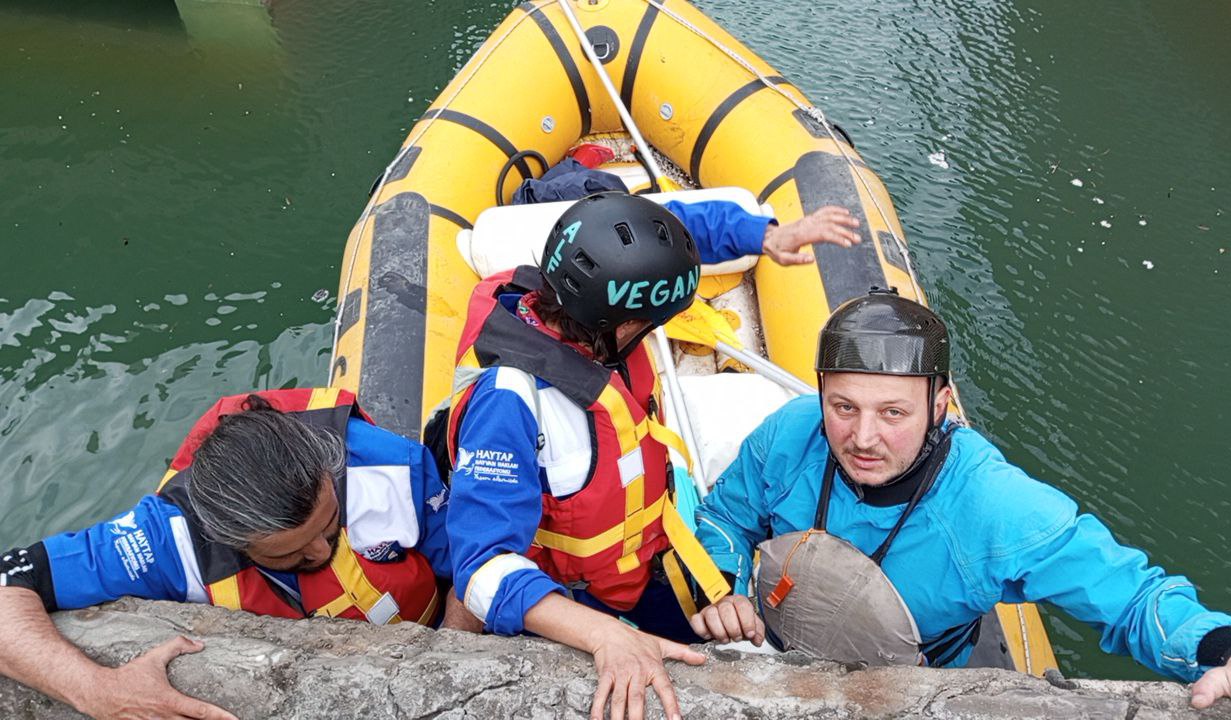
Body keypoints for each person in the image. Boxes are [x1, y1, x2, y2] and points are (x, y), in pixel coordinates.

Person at [691, 289, 1231, 717]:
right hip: (775, 649)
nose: (863, 437)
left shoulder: (994, 506)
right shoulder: (791, 433)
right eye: (843, 407)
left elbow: (1132, 600)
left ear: (941, 404)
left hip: (915, 687)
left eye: (893, 413)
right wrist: (723, 585)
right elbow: (725, 517)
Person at [443, 192, 860, 720]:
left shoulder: (574, 288)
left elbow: (662, 232)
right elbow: (480, 568)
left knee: (736, 637)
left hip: (641, 553)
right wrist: (604, 636)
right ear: (619, 327)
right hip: (571, 591)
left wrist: (763, 236)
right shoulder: (509, 404)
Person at [0, 387, 465, 720]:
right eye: (293, 553)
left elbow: (474, 561)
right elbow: (8, 583)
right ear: (230, 537)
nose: (323, 550)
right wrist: (99, 692)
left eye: (329, 524)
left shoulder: (387, 467)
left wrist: (450, 651)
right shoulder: (167, 541)